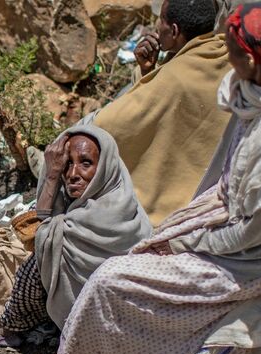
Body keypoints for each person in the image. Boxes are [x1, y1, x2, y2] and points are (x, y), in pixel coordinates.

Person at [20, 4, 261, 354]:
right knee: (143, 250)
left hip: (249, 261)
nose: (226, 52)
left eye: (235, 47)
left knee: (111, 280)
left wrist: (189, 242)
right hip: (227, 224)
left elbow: (257, 229)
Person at [0, 125, 152, 353]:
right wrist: (52, 172)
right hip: (96, 311)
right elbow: (44, 222)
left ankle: (10, 328)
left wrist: (51, 177)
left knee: (38, 262)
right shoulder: (100, 197)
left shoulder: (111, 211)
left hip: (112, 318)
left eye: (86, 163)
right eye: (67, 164)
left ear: (106, 166)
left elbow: (43, 233)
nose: (73, 174)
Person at [92, 0, 231, 225]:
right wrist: (148, 70)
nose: (157, 27)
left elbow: (108, 126)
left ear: (174, 30)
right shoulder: (228, 55)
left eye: (161, 20)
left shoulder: (173, 78)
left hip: (176, 204)